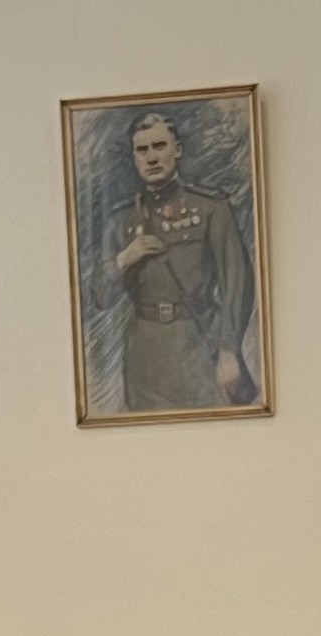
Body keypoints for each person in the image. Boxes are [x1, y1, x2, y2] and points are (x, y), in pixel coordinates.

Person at [107, 111, 258, 412]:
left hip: (199, 345)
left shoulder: (211, 208)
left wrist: (229, 351)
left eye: (159, 146)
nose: (151, 157)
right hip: (145, 357)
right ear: (134, 158)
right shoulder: (120, 220)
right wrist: (124, 258)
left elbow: (238, 283)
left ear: (177, 150)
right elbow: (101, 297)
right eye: (142, 150)